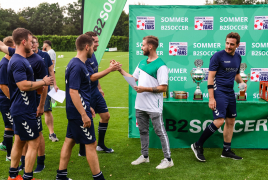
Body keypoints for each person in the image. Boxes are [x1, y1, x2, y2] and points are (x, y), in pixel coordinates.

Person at [118, 35, 173, 169]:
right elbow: (133, 78)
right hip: (140, 105)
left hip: (154, 106)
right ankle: (145, 156)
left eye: (143, 45)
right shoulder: (142, 63)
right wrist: (119, 69)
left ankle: (168, 159)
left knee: (160, 132)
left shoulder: (161, 66)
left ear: (150, 46)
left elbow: (163, 87)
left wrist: (145, 89)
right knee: (143, 131)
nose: (141, 47)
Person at [56, 34, 105, 180]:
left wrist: (87, 106)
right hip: (78, 114)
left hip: (77, 110)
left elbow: (80, 92)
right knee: (91, 144)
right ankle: (99, 178)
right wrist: (84, 114)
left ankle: (61, 176)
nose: (94, 50)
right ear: (87, 47)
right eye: (93, 46)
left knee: (69, 141)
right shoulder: (77, 66)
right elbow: (73, 91)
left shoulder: (77, 63)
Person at [191, 32, 245, 162]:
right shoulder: (217, 56)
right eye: (227, 43)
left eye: (232, 44)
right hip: (218, 91)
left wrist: (242, 82)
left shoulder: (238, 57)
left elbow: (236, 75)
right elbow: (210, 77)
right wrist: (211, 98)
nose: (228, 46)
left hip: (230, 92)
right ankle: (198, 144)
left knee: (231, 121)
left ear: (237, 45)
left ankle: (226, 150)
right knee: (219, 121)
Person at [7, 28, 53, 180]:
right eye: (31, 41)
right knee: (34, 143)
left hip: (22, 108)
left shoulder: (20, 59)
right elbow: (23, 85)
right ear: (23, 41)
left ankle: (13, 176)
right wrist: (44, 82)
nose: (33, 44)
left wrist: (39, 88)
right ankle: (27, 177)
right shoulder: (18, 61)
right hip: (24, 110)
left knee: (19, 141)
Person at [78, 31, 120, 156]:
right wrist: (110, 69)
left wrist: (100, 88)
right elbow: (91, 77)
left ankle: (100, 145)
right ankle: (82, 150)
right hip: (86, 93)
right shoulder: (83, 58)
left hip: (95, 91)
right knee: (86, 120)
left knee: (106, 116)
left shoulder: (93, 55)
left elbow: (95, 73)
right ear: (88, 43)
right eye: (95, 41)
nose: (98, 44)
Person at [34, 37, 59, 142]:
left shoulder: (45, 55)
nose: (33, 44)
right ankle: (34, 132)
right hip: (31, 87)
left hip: (45, 87)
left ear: (38, 44)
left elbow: (51, 70)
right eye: (31, 42)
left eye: (34, 42)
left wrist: (55, 84)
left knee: (47, 110)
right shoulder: (25, 55)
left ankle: (51, 133)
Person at [0, 36, 15, 161]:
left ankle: (5, 145)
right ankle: (9, 155)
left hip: (10, 100)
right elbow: (3, 86)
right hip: (6, 100)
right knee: (9, 126)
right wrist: (13, 98)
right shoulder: (4, 64)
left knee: (12, 125)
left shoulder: (11, 61)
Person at [42, 40, 57, 108]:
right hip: (48, 71)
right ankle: (50, 100)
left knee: (51, 86)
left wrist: (50, 72)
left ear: (46, 45)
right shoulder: (48, 52)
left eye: (43, 44)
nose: (42, 46)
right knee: (49, 86)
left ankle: (53, 102)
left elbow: (52, 63)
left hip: (51, 72)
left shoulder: (51, 52)